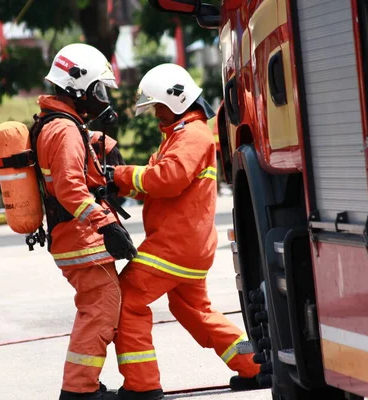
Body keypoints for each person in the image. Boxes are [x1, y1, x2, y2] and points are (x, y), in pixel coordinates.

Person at [106, 64, 262, 400]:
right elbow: (155, 185)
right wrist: (117, 185)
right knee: (193, 310)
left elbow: (167, 178)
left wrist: (117, 175)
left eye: (158, 107)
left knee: (127, 299)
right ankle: (254, 365)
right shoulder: (180, 136)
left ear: (176, 101)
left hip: (174, 245)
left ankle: (142, 385)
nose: (155, 114)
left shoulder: (192, 135)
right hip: (186, 245)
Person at [37, 43, 137, 400]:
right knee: (99, 310)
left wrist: (101, 138)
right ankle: (79, 391)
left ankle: (81, 387)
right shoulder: (63, 131)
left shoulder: (64, 126)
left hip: (78, 236)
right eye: (99, 89)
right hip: (81, 238)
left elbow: (76, 155)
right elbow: (69, 187)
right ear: (79, 87)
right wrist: (107, 225)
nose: (102, 96)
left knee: (100, 307)